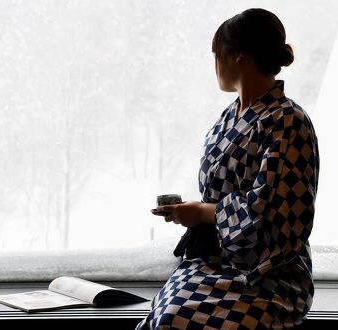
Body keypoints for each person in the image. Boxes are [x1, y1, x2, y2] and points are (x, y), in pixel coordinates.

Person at [136, 8, 319, 330]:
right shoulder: (229, 117)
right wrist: (191, 212)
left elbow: (277, 215)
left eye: (216, 55)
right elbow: (224, 196)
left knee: (177, 321)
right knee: (162, 316)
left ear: (239, 57)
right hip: (215, 260)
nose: (215, 64)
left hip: (270, 272)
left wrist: (206, 213)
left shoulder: (289, 121)